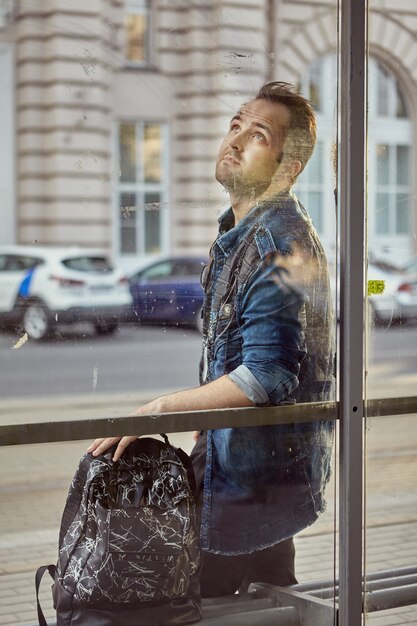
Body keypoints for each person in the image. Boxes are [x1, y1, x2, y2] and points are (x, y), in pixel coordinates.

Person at [88, 82, 335, 597]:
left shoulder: (274, 242)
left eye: (259, 135)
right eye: (236, 124)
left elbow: (267, 373)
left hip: (250, 481)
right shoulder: (242, 233)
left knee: (190, 603)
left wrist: (160, 409)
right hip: (247, 464)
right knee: (273, 599)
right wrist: (206, 424)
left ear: (288, 169)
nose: (237, 139)